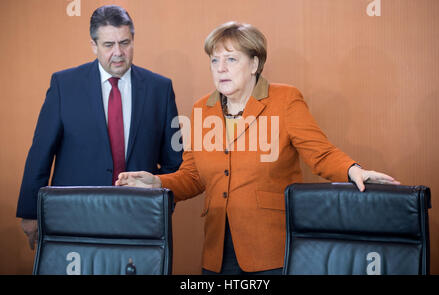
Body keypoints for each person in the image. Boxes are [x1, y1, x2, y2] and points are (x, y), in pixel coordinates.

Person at [116, 21, 400, 275]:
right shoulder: (203, 108)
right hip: (217, 250)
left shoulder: (285, 100)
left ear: (254, 64)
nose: (220, 68)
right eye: (215, 61)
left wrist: (353, 170)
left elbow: (320, 153)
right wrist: (156, 182)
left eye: (231, 59)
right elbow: (193, 175)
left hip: (272, 248)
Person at [16, 5, 182, 251]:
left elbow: (174, 162)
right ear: (93, 45)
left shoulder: (160, 88)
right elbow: (41, 151)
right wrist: (30, 212)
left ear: (133, 40)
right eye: (108, 45)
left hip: (140, 220)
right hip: (74, 219)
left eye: (125, 43)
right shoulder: (64, 85)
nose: (118, 53)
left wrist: (161, 203)